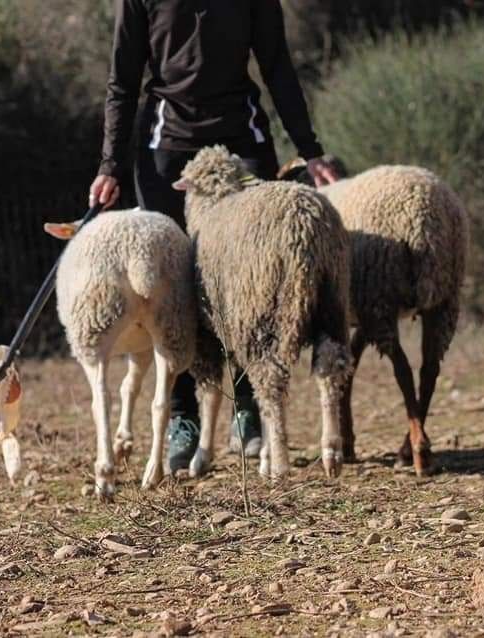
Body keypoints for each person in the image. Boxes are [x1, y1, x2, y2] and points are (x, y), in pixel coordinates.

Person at [90, 0, 340, 473]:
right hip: (166, 144)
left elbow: (276, 65)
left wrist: (309, 149)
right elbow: (122, 81)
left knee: (248, 276)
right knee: (172, 283)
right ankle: (182, 414)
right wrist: (111, 166)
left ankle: (247, 405)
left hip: (240, 137)